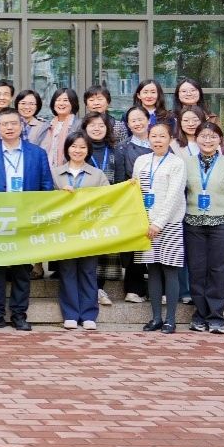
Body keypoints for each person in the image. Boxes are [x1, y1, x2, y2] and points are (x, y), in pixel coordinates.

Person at [0, 107, 54, 331]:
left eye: (13, 123)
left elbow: (46, 187)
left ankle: (19, 314)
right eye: (4, 124)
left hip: (26, 219)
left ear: (21, 126)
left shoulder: (37, 154)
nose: (9, 127)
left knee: (22, 269)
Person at [184, 122, 224, 334]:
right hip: (194, 224)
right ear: (196, 138)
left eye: (212, 136)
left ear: (220, 140)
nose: (207, 140)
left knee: (220, 270)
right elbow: (183, 192)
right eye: (203, 136)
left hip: (222, 224)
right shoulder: (186, 163)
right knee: (197, 270)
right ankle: (200, 315)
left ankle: (217, 316)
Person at [52, 132, 112, 330]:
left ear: (88, 150)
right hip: (65, 231)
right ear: (67, 148)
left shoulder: (97, 174)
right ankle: (70, 314)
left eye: (82, 147)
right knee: (67, 271)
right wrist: (59, 195)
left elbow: (109, 199)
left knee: (88, 271)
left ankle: (88, 314)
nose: (77, 150)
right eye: (74, 146)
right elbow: (45, 201)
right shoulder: (56, 173)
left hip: (89, 231)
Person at [134, 121, 187, 334]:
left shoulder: (177, 163)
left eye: (162, 136)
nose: (157, 140)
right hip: (146, 225)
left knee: (170, 270)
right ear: (148, 138)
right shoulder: (141, 161)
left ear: (170, 139)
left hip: (169, 224)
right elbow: (135, 190)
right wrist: (144, 221)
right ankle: (156, 317)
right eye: (154, 136)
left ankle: (171, 319)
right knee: (153, 270)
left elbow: (174, 196)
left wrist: (159, 223)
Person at [81, 111, 124, 306]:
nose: (97, 129)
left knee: (105, 251)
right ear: (85, 128)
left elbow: (121, 181)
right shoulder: (80, 149)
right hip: (84, 209)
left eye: (101, 125)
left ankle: (99, 288)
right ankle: (86, 289)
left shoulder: (116, 151)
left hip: (109, 208)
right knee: (85, 249)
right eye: (92, 125)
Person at [115, 106, 153, 303]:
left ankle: (158, 289)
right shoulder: (122, 147)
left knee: (156, 244)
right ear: (128, 125)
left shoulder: (159, 141)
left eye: (140, 119)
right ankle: (133, 289)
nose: (137, 123)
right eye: (133, 120)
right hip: (134, 202)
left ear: (148, 120)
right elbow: (120, 179)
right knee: (135, 246)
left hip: (157, 202)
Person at [30, 88, 79, 168]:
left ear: (73, 103)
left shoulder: (79, 125)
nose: (61, 103)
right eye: (58, 100)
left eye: (65, 100)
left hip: (69, 170)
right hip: (47, 170)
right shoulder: (47, 126)